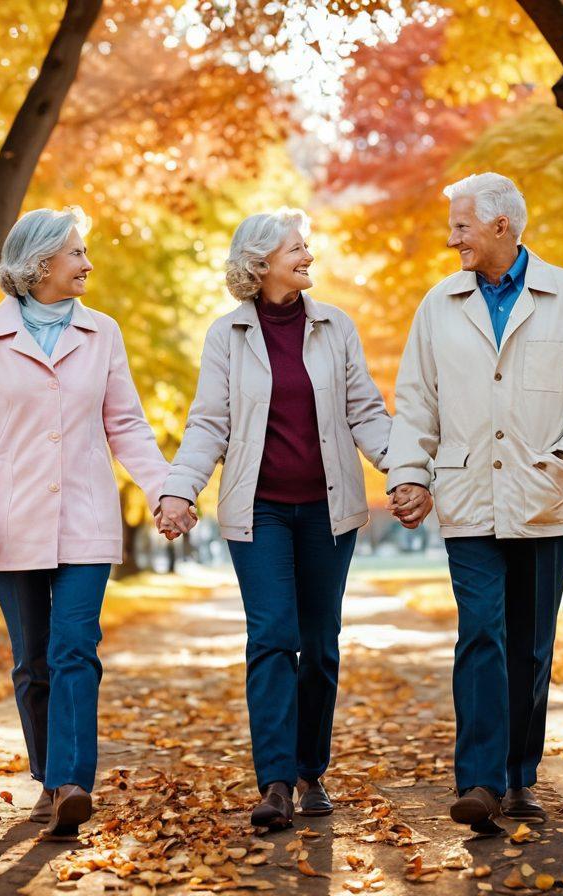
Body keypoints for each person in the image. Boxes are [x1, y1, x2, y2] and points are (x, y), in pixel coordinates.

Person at [386, 173, 563, 831]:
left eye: (461, 226)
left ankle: (521, 778)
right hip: (467, 496)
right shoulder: (439, 304)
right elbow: (416, 402)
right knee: (482, 634)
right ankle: (480, 782)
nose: (451, 238)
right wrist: (409, 472)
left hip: (543, 497)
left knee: (530, 646)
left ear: (501, 226)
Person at [156, 208, 402, 830]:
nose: (308, 255)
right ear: (261, 263)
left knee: (319, 645)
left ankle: (307, 770)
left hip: (327, 510)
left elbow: (366, 412)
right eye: (297, 247)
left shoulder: (335, 327)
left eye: (306, 245)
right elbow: (209, 422)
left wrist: (406, 470)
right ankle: (274, 784)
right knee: (272, 637)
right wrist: (180, 489)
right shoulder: (228, 336)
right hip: (259, 512)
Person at [0, 207, 171, 839]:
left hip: (85, 516)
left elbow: (126, 424)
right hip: (9, 518)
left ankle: (72, 784)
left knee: (76, 648)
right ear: (40, 262)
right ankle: (49, 780)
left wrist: (164, 490)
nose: (87, 264)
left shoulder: (103, 332)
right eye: (77, 253)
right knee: (32, 663)